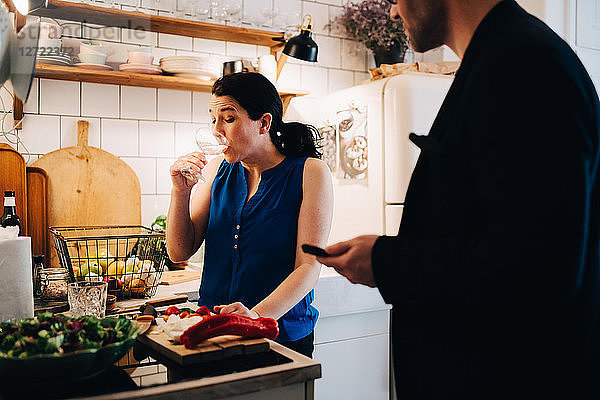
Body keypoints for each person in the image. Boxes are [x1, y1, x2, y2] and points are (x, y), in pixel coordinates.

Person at [318, 0, 600, 398]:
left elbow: (539, 268)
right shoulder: (500, 57)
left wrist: (386, 261)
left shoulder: (522, 63)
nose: (394, 13)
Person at [167, 72, 333, 358]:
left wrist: (253, 318)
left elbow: (308, 267)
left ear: (264, 123)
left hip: (279, 333)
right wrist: (180, 192)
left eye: (228, 118)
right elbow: (179, 251)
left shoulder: (310, 171)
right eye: (213, 118)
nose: (217, 129)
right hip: (212, 327)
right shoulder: (217, 169)